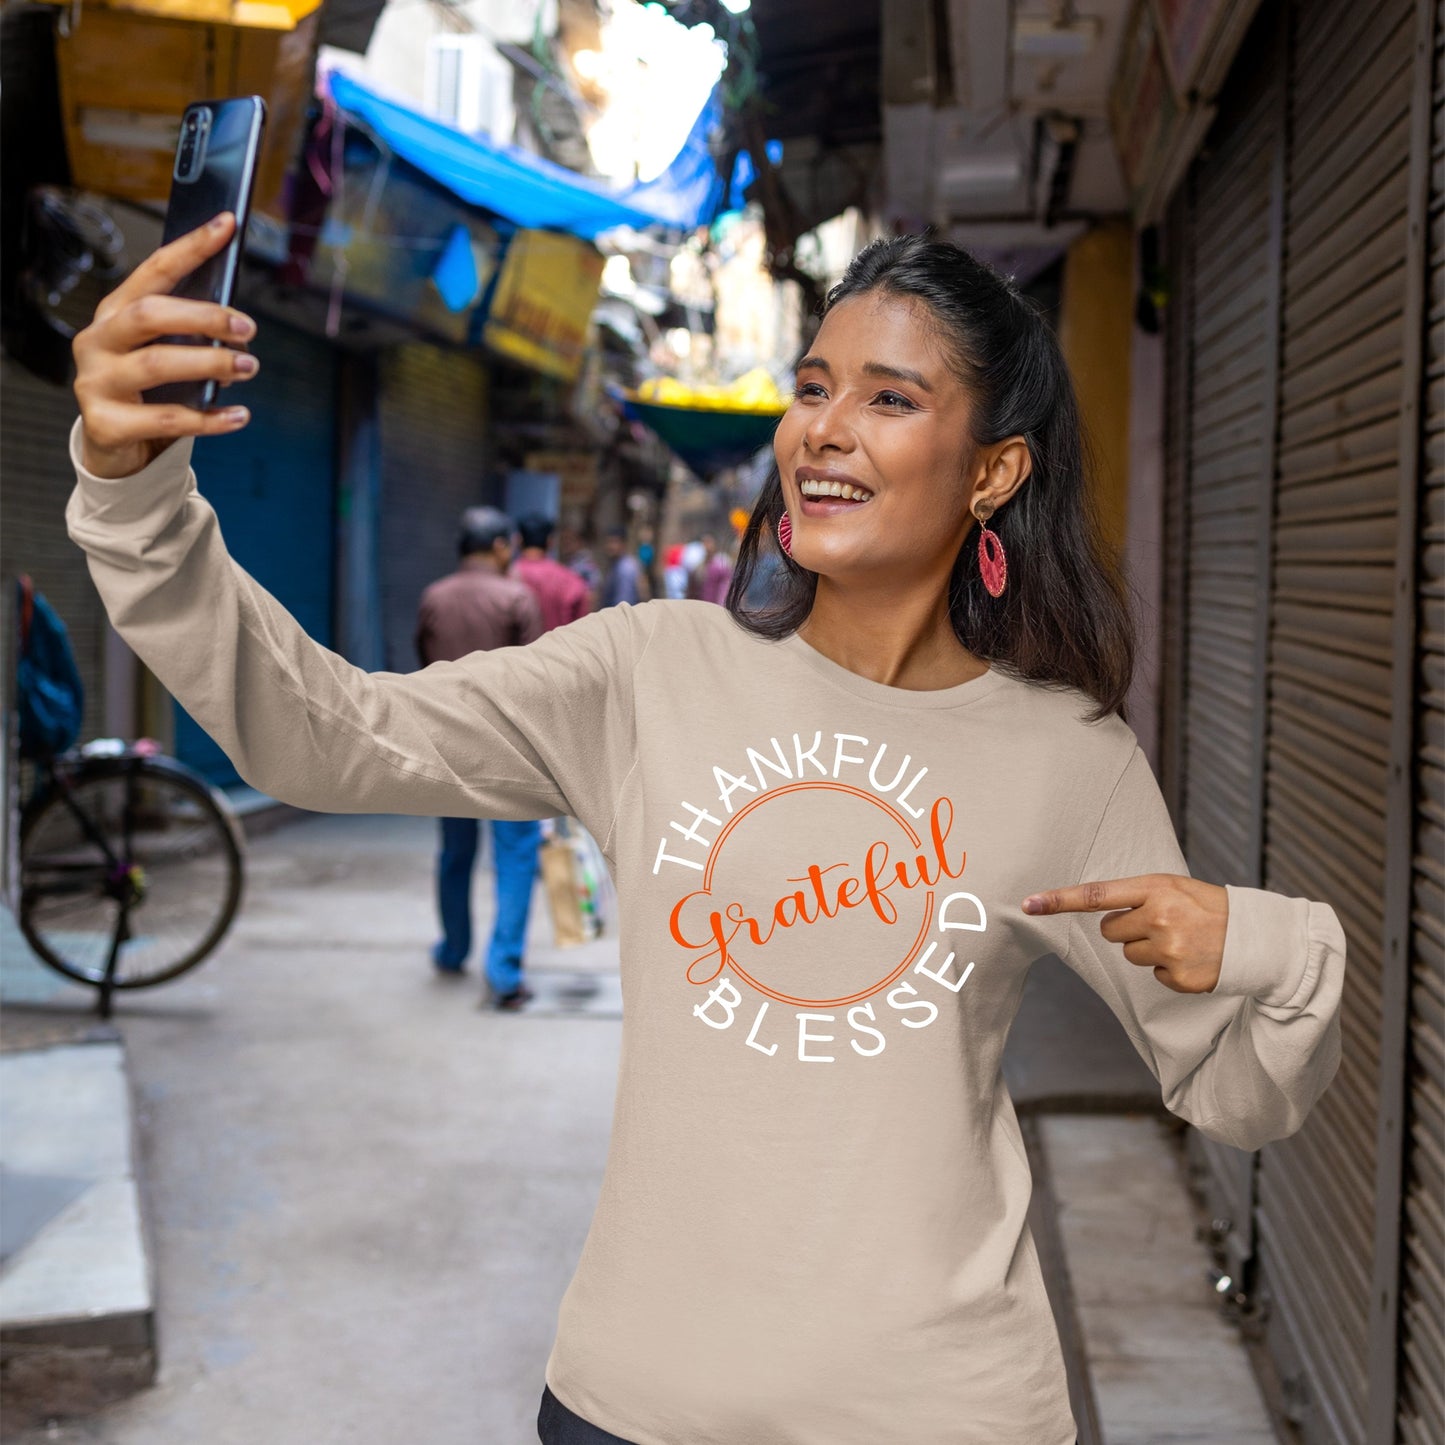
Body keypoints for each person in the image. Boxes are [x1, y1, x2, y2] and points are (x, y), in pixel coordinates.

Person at [68, 216, 1346, 1445]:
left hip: (940, 1411)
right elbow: (323, 733)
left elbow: (1231, 1092)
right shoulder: (647, 669)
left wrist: (1274, 947)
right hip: (637, 1401)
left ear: (995, 469)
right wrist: (139, 507)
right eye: (811, 386)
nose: (823, 433)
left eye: (888, 400)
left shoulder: (1066, 759)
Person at [415, 506, 543, 1009]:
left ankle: (452, 950)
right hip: (509, 751)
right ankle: (505, 971)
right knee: (515, 856)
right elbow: (539, 682)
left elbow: (423, 668)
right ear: (499, 547)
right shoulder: (516, 597)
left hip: (447, 745)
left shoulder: (433, 598)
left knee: (455, 854)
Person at [512, 513, 592, 632]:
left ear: (518, 540)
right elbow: (582, 630)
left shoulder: (505, 576)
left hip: (511, 651)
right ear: (550, 541)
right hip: (558, 650)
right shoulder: (571, 580)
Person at [599, 528, 646, 607]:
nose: (610, 546)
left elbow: (623, 602)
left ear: (623, 544)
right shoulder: (615, 565)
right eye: (608, 542)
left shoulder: (626, 567)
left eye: (614, 542)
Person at [685, 531, 734, 605]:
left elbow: (724, 588)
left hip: (716, 605)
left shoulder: (721, 563)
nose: (706, 546)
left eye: (708, 543)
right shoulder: (699, 565)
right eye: (704, 543)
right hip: (701, 604)